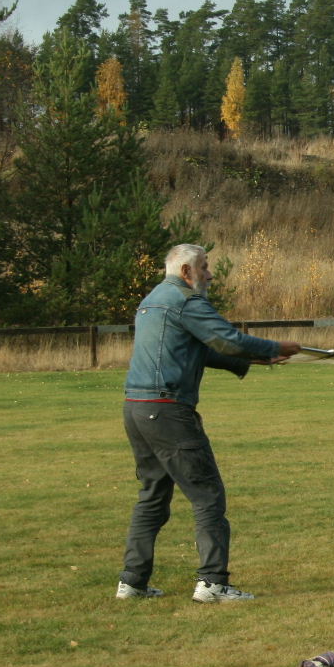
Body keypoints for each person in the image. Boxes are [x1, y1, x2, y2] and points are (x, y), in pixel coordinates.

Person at [115, 244, 300, 602]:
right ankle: (213, 583)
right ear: (186, 271)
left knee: (152, 497)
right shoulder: (186, 300)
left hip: (137, 409)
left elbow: (197, 349)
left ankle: (132, 582)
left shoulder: (152, 300)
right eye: (204, 267)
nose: (210, 275)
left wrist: (249, 361)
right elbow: (225, 338)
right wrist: (275, 346)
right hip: (168, 410)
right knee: (207, 495)